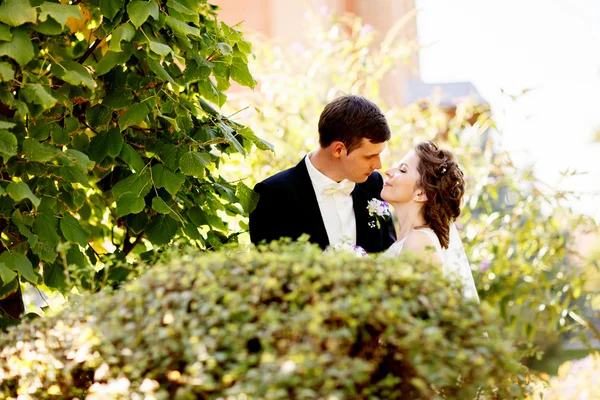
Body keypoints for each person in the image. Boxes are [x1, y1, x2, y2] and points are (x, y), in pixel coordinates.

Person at [249, 95, 396, 253]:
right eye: (369, 156)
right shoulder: (272, 195)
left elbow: (387, 253)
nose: (378, 165)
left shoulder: (373, 184)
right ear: (338, 150)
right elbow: (269, 269)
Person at [380, 140, 479, 301]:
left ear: (421, 194)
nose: (389, 171)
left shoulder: (418, 243)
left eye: (402, 170)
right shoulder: (412, 239)